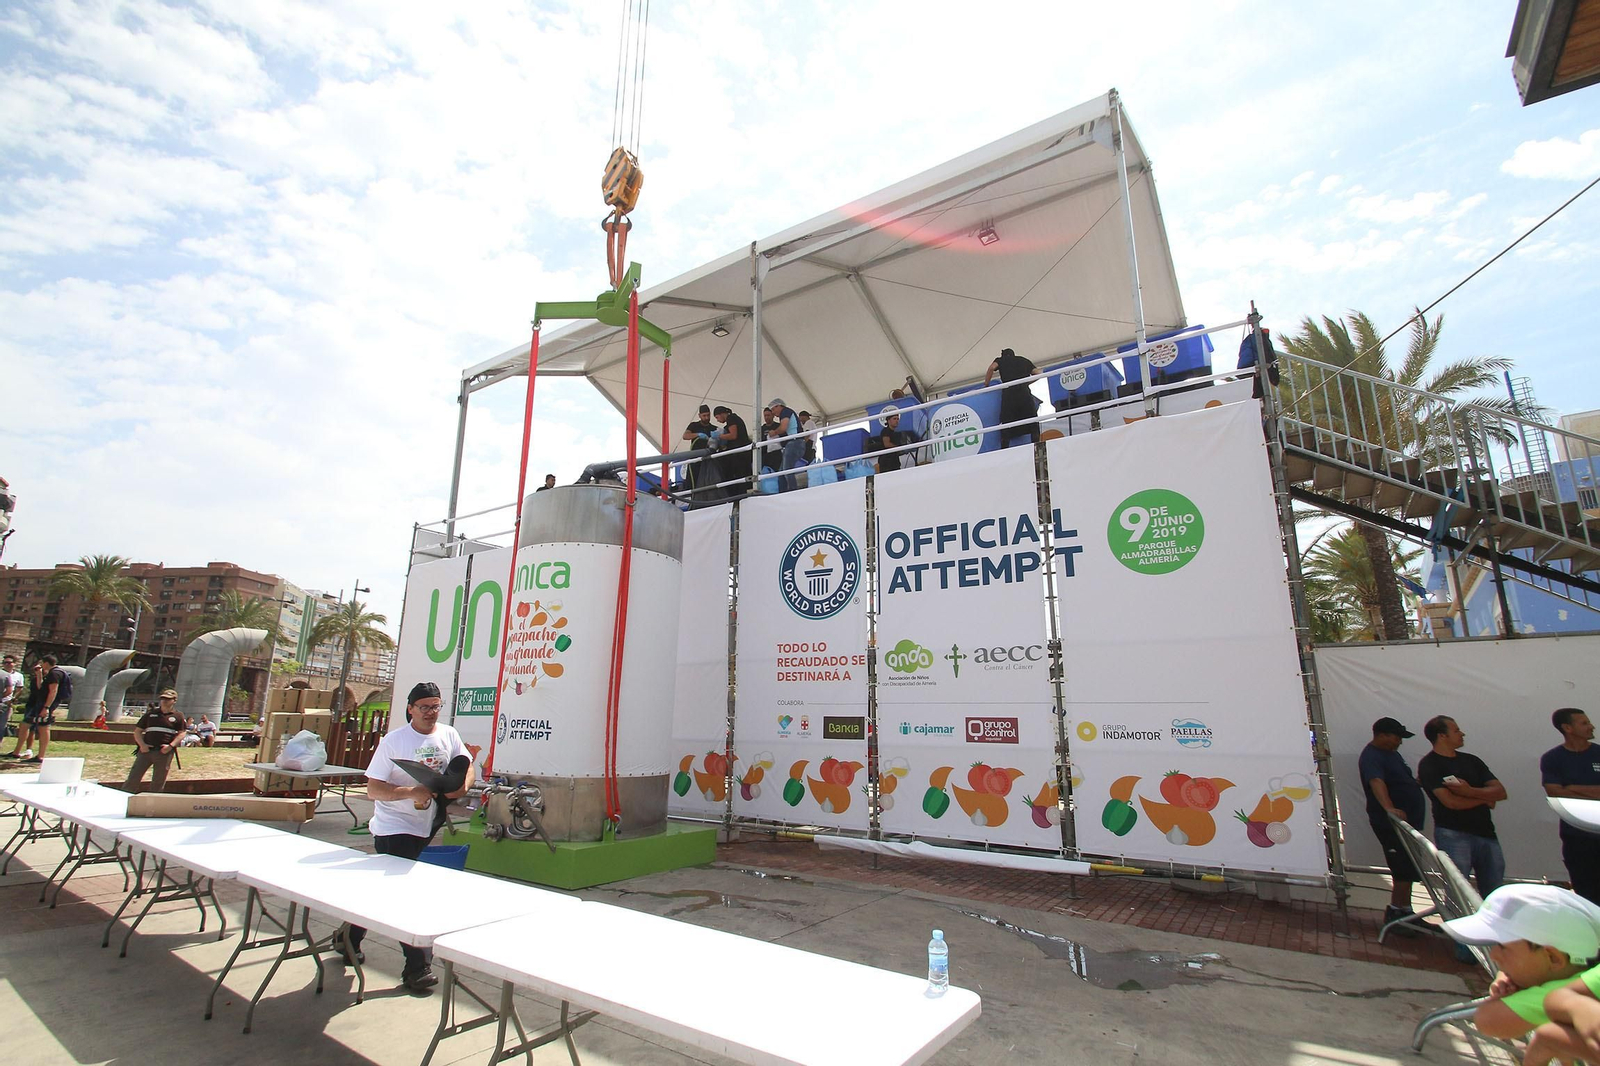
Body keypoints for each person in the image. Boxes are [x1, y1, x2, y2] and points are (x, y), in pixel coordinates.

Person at [349, 681, 473, 994]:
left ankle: (347, 938)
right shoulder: (395, 741)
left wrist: (464, 785)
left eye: (436, 706)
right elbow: (373, 788)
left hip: (427, 823)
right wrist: (409, 792)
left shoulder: (448, 734)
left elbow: (466, 764)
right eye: (424, 707)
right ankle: (417, 968)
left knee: (382, 893)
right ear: (410, 709)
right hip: (394, 827)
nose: (431, 713)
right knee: (404, 897)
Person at [1440, 883, 1600, 1042]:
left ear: (1553, 958)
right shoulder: (1575, 973)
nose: (1494, 955)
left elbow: (1489, 1019)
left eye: (1502, 946)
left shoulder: (1571, 990)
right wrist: (1507, 975)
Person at [1418, 715, 1507, 897]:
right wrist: (1484, 798)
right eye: (1456, 730)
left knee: (1495, 891)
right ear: (1442, 736)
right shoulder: (1429, 764)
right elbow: (1451, 802)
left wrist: (1469, 791)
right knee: (1457, 891)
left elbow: (1500, 792)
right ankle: (1456, 925)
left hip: (1486, 833)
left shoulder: (1472, 761)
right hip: (1453, 834)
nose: (1462, 734)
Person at [1358, 716, 1427, 932]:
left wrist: (1413, 784)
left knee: (1409, 867)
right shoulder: (1372, 756)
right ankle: (1397, 913)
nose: (1400, 742)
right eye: (1397, 737)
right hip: (1391, 825)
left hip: (1407, 823)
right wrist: (1389, 808)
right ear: (1383, 735)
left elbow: (1396, 780)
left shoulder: (1392, 754)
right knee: (1401, 868)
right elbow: (1376, 781)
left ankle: (1406, 911)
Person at [1542, 708, 1600, 904]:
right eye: (1584, 723)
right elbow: (1554, 791)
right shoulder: (1553, 758)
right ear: (1567, 728)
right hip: (1576, 836)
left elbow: (1563, 789)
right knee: (1586, 893)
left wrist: (1573, 787)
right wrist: (1592, 791)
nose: (1591, 726)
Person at [6, 655, 68, 763]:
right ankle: (18, 752)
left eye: (42, 663)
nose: (40, 665)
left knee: (43, 728)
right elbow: (40, 688)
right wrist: (39, 674)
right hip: (40, 704)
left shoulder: (55, 674)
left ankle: (40, 756)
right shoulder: (50, 674)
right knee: (27, 725)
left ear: (46, 663)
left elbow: (53, 691)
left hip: (45, 705)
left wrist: (47, 707)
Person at [125, 690, 187, 792]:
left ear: (174, 700)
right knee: (133, 777)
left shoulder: (178, 716)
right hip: (146, 751)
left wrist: (170, 746)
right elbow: (137, 731)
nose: (164, 701)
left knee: (158, 781)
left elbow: (182, 733)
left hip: (164, 753)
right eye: (162, 699)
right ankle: (125, 797)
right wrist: (142, 745)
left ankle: (153, 802)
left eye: (168, 699)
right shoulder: (150, 714)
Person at [984, 347, 1040, 448]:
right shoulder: (1024, 360)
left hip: (1009, 393)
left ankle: (1005, 449)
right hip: (1024, 392)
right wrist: (1026, 383)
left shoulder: (1001, 360)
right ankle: (1037, 447)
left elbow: (992, 368)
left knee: (1006, 421)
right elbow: (1038, 373)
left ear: (1003, 355)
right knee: (1032, 420)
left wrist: (986, 384)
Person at [712, 405, 752, 497]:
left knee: (738, 474)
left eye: (717, 417)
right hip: (741, 452)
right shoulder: (734, 419)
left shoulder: (731, 418)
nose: (717, 420)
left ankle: (739, 495)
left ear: (722, 414)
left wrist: (719, 436)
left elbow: (733, 435)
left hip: (740, 454)